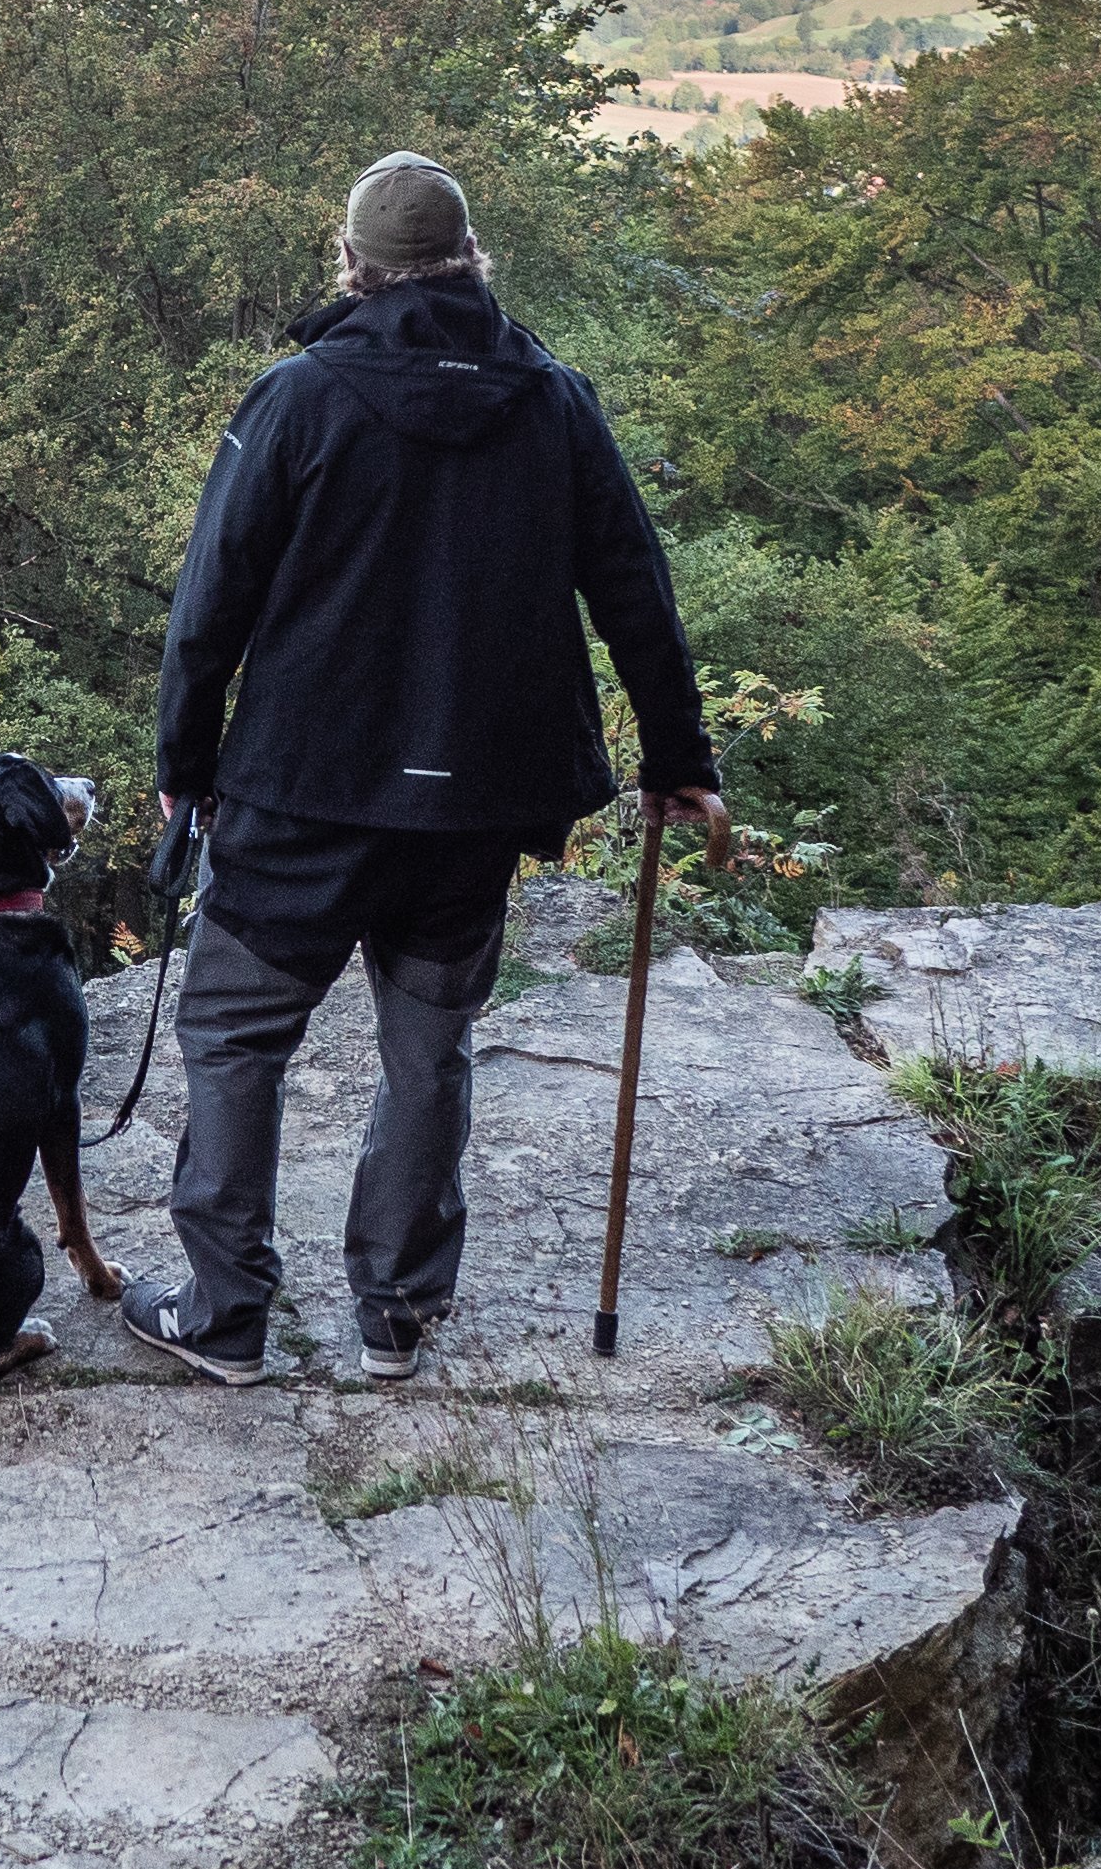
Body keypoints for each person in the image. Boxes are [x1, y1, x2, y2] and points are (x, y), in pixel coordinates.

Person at [125, 150, 728, 1383]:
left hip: (302, 789)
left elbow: (209, 607)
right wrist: (681, 758)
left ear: (352, 264)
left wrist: (184, 764)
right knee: (427, 1044)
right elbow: (636, 594)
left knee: (238, 1038)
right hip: (474, 802)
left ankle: (226, 1313)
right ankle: (397, 1312)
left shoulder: (296, 398)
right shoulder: (553, 399)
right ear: (470, 261)